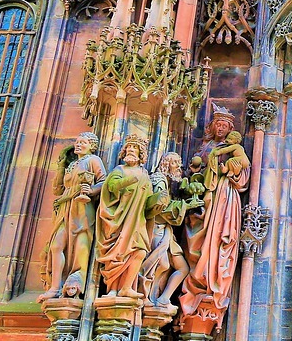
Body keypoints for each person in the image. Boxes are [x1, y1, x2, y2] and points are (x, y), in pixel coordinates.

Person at [180, 113, 251, 321]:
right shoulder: (206, 147)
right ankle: (198, 287)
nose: (220, 129)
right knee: (199, 242)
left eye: (224, 126)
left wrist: (230, 171)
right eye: (217, 125)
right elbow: (197, 170)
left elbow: (243, 169)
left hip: (224, 195)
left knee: (218, 236)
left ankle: (212, 287)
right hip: (206, 194)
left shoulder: (233, 149)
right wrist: (195, 171)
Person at [38, 131, 105, 301]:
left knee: (81, 244)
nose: (78, 144)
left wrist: (91, 190)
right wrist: (61, 165)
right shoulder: (72, 164)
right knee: (56, 246)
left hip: (82, 207)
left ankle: (76, 281)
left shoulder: (93, 160)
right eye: (77, 141)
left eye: (83, 142)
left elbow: (104, 181)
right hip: (65, 207)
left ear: (92, 146)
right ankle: (55, 286)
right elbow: (57, 190)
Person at [96, 136, 158, 299]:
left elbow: (148, 200)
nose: (130, 151)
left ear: (140, 154)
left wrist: (160, 203)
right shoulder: (119, 170)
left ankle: (126, 287)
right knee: (119, 255)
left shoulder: (144, 173)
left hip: (137, 220)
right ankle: (112, 290)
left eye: (134, 149)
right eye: (128, 148)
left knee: (139, 252)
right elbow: (111, 186)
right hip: (120, 220)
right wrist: (130, 180)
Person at [141, 152, 200, 307]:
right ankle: (148, 297)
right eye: (175, 163)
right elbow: (158, 207)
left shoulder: (166, 181)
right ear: (167, 164)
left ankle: (161, 298)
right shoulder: (159, 181)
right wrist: (186, 206)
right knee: (162, 265)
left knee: (181, 267)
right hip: (156, 229)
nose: (179, 167)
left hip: (165, 231)